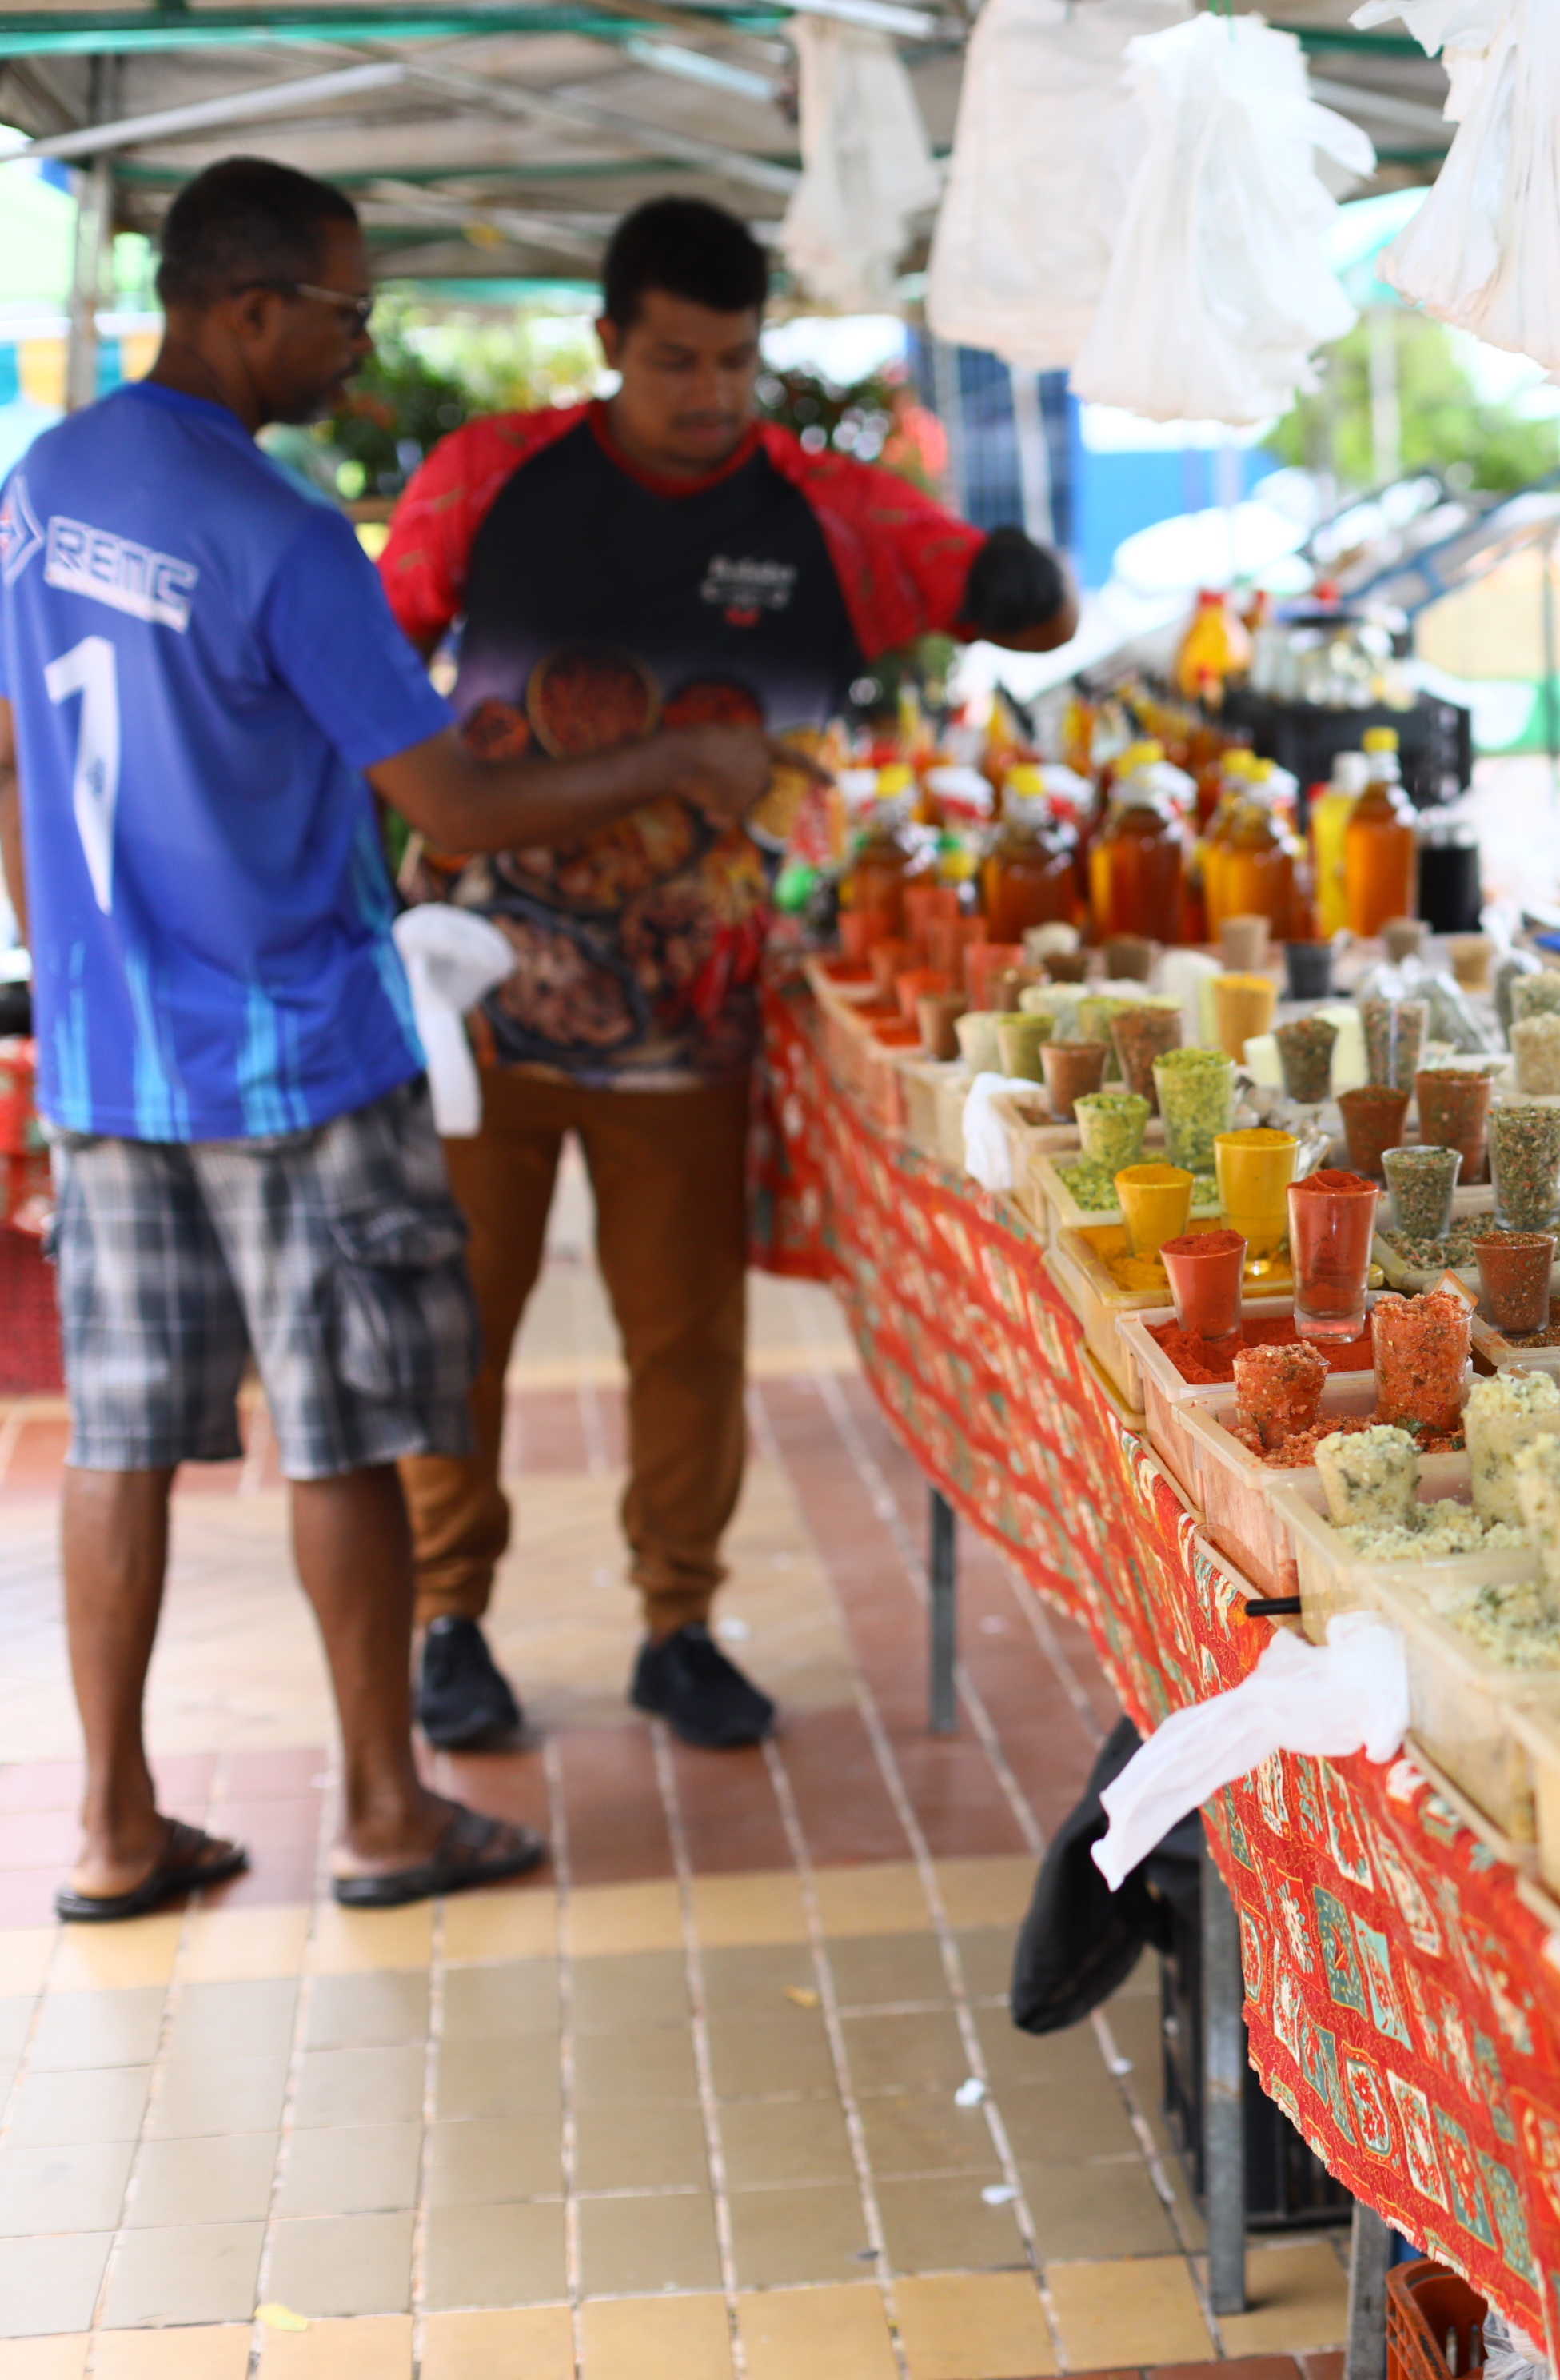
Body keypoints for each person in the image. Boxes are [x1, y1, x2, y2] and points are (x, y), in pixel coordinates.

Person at [0, 157, 776, 1916]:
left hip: (112, 1063)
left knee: (118, 1441)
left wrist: (71, 970)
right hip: (294, 1055)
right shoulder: (282, 538)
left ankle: (115, 1831)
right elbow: (458, 807)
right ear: (250, 309)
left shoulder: (44, 485)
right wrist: (677, 756)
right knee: (343, 1435)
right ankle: (381, 1812)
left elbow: (6, 753)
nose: (361, 343)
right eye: (346, 312)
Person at [377, 197, 1079, 1754]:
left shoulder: (833, 512)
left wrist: (1023, 589)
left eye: (736, 363)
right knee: (452, 1324)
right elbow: (367, 667)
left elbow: (1034, 612)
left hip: (691, 1020)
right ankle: (445, 1618)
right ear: (607, 342)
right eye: (675, 362)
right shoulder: (489, 478)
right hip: (468, 1003)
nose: (710, 396)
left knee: (683, 1339)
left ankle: (678, 1625)